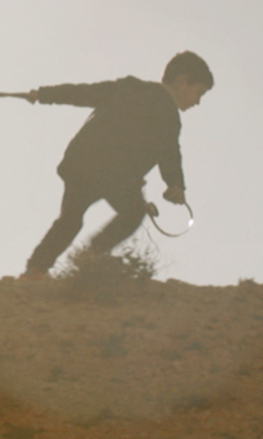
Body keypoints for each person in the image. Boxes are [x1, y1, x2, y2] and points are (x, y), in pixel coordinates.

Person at [19, 51, 213, 280]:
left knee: (70, 220)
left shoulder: (129, 87)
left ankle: (36, 269)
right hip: (112, 172)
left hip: (82, 161)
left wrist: (43, 94)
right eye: (198, 93)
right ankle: (89, 259)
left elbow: (84, 93)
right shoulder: (169, 116)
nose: (198, 102)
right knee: (133, 212)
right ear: (182, 81)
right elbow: (170, 154)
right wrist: (176, 185)